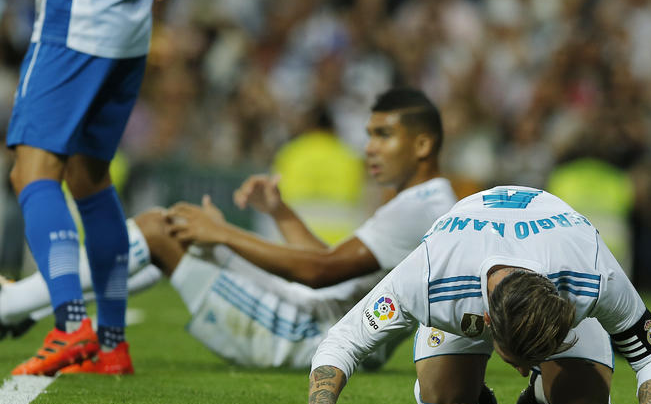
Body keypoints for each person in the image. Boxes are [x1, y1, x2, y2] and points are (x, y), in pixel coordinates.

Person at [2, 88, 459, 375]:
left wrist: (223, 233)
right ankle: (33, 307)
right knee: (174, 234)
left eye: (383, 135)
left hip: (304, 336)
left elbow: (321, 272)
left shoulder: (422, 206)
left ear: (422, 144)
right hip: (325, 329)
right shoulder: (424, 203)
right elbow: (334, 262)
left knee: (161, 229)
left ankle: (13, 304)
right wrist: (280, 213)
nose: (369, 148)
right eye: (369, 134)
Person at [287, 186, 651, 404]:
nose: (518, 367)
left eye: (534, 359)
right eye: (520, 361)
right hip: (461, 275)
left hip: (558, 263)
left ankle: (541, 393)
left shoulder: (592, 274)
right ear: (487, 323)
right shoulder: (430, 275)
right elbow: (347, 336)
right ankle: (474, 388)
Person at [4, 0, 178, 376]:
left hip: (75, 23)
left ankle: (70, 324)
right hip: (130, 24)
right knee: (89, 176)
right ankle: (111, 346)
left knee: (32, 174)